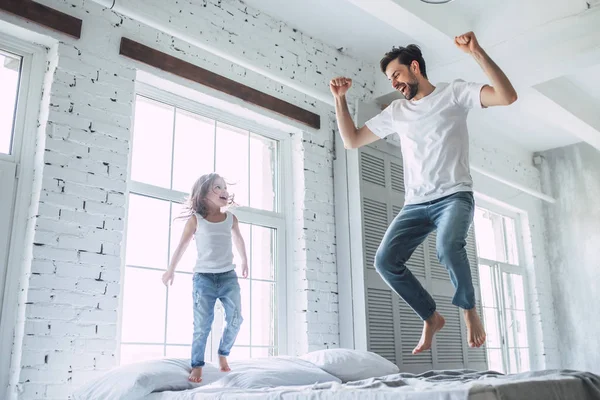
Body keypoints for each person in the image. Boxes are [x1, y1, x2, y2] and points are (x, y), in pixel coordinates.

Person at [329, 32, 517, 355]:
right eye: (390, 79)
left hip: (454, 196)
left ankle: (469, 309)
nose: (395, 84)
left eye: (397, 75)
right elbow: (352, 140)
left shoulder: (454, 93)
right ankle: (431, 316)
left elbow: (507, 96)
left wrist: (477, 52)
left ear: (414, 67)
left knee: (447, 245)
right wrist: (339, 99)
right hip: (415, 204)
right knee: (385, 261)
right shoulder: (397, 112)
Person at [162, 173, 249, 383]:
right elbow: (182, 246)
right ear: (202, 196)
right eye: (217, 188)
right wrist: (170, 269)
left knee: (236, 319)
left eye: (224, 187)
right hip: (204, 279)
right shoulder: (196, 220)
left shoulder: (231, 219)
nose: (223, 191)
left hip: (228, 276)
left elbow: (239, 240)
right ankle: (197, 364)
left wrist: (245, 261)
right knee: (202, 325)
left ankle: (223, 352)